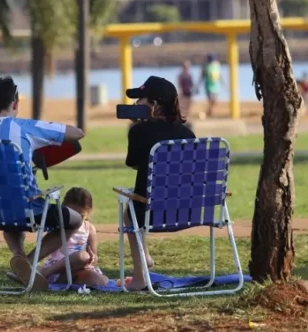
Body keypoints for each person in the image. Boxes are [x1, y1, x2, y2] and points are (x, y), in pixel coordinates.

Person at [0, 76, 85, 290]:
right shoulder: (25, 127)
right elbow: (78, 134)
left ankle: (19, 258)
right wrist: (44, 137)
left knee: (8, 205)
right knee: (74, 220)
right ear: (16, 103)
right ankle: (28, 263)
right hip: (24, 208)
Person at [124, 75, 195, 291]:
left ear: (154, 105)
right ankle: (145, 258)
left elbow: (134, 164)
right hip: (190, 211)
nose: (135, 104)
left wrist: (137, 128)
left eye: (140, 100)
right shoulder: (188, 134)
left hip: (151, 213)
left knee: (129, 209)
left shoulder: (138, 131)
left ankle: (139, 276)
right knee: (136, 205)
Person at [37, 187, 108, 287]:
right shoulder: (60, 225)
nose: (76, 220)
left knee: (102, 281)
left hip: (79, 269)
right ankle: (46, 273)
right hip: (58, 268)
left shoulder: (89, 228)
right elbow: (45, 245)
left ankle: (63, 282)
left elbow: (94, 256)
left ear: (88, 212)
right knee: (81, 256)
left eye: (81, 216)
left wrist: (93, 258)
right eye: (72, 215)